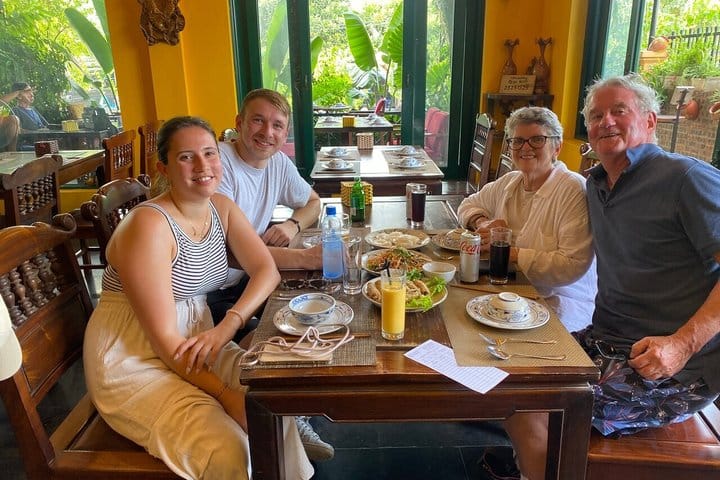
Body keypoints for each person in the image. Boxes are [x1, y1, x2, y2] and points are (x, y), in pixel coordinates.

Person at [495, 74, 720, 480]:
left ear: (650, 121)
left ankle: (538, 464)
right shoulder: (596, 185)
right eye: (596, 115)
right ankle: (531, 463)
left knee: (529, 406)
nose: (606, 122)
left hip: (671, 366)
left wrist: (681, 344)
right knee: (507, 369)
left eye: (620, 111)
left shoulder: (685, 178)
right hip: (605, 342)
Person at [83, 116, 314, 480]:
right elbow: (165, 344)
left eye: (209, 153)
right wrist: (225, 394)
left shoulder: (221, 207)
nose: (203, 166)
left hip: (197, 341)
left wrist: (229, 325)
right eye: (186, 157)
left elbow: (266, 270)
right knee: (229, 447)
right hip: (134, 357)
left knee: (272, 396)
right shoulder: (149, 226)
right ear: (164, 168)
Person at [213, 88, 333, 462]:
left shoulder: (277, 163)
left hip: (247, 280)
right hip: (210, 291)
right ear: (239, 124)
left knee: (313, 311)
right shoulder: (219, 164)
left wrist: (293, 224)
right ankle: (286, 416)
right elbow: (229, 253)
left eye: (278, 125)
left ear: (285, 133)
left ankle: (293, 404)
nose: (267, 132)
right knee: (291, 324)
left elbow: (313, 202)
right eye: (258, 121)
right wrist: (305, 258)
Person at [457, 106, 596, 332]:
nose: (526, 147)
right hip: (508, 293)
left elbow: (572, 265)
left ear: (557, 147)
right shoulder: (511, 181)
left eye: (537, 140)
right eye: (518, 141)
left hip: (559, 303)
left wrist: (509, 253)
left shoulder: (572, 189)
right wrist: (483, 222)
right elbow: (467, 205)